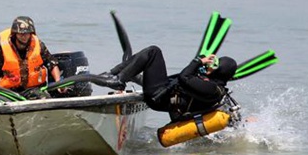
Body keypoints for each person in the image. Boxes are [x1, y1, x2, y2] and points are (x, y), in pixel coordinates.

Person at [98, 45, 237, 121]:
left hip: (158, 98)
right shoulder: (214, 87)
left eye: (215, 65)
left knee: (153, 52)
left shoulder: (212, 88)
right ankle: (115, 75)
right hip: (164, 94)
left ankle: (117, 80)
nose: (210, 66)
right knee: (144, 61)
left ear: (220, 71)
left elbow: (184, 77)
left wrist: (197, 61)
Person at [0, 16, 62, 97]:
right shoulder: (3, 50)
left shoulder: (39, 46)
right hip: (10, 92)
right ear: (15, 34)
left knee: (42, 96)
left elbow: (51, 64)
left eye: (27, 33)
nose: (24, 36)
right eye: (21, 34)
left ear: (31, 33)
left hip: (34, 89)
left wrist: (58, 82)